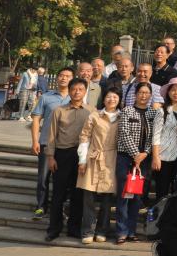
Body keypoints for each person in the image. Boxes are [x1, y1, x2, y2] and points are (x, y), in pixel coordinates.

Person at [45, 78, 92, 242]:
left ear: (85, 91)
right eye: (74, 89)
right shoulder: (59, 111)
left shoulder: (91, 111)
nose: (77, 92)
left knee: (78, 195)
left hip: (81, 157)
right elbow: (51, 135)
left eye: (80, 89)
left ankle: (74, 228)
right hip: (62, 155)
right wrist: (50, 157)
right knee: (58, 194)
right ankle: (54, 228)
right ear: (69, 91)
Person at [115, 81, 162, 244]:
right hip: (126, 158)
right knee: (124, 195)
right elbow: (124, 133)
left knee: (136, 197)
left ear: (151, 96)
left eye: (147, 93)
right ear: (135, 95)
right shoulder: (127, 111)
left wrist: (146, 153)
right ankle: (121, 231)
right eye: (141, 92)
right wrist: (135, 154)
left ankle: (131, 231)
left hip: (143, 160)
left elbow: (153, 136)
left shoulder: (153, 113)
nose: (143, 96)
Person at [77, 88, 120, 244]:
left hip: (112, 159)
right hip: (93, 157)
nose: (111, 99)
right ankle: (87, 231)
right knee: (88, 197)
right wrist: (82, 160)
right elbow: (84, 137)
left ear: (119, 100)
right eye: (109, 96)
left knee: (107, 199)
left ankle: (102, 230)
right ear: (104, 99)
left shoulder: (122, 117)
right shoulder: (94, 116)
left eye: (115, 97)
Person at [30, 67, 72, 216]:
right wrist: (35, 141)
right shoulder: (46, 97)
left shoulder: (75, 98)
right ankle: (41, 206)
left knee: (63, 179)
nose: (63, 78)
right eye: (61, 75)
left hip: (66, 145)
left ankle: (59, 207)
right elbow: (36, 119)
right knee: (43, 177)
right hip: (46, 143)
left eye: (67, 76)